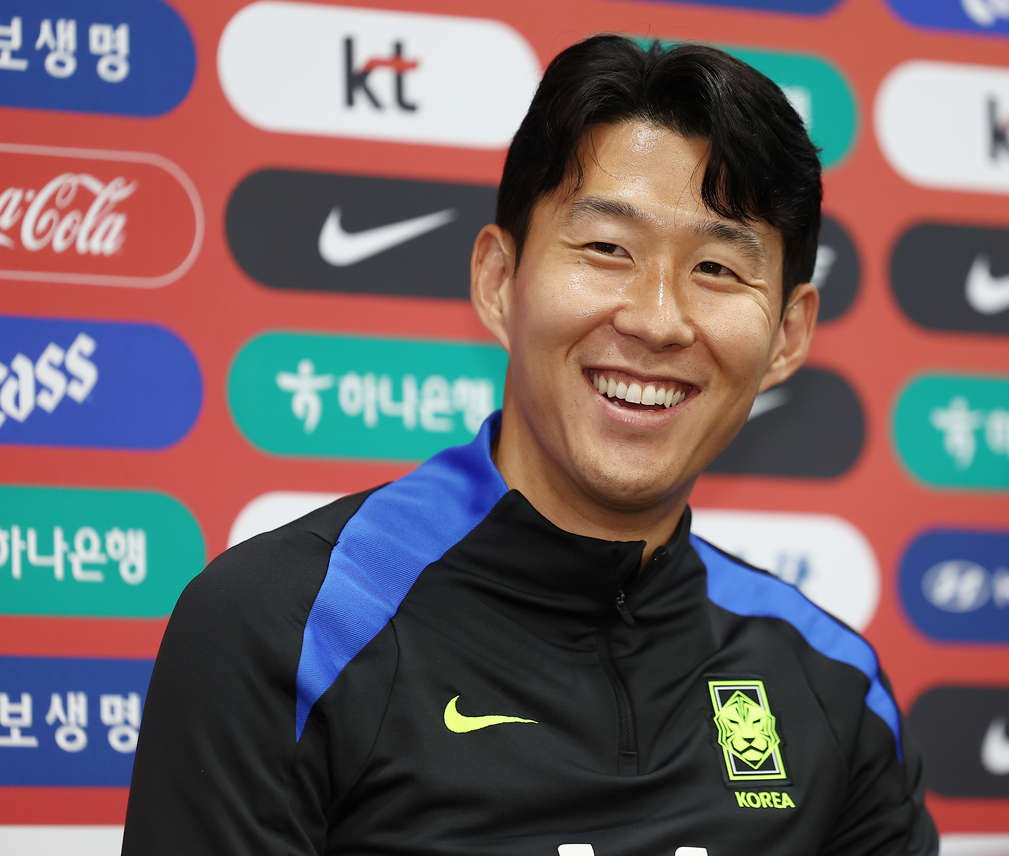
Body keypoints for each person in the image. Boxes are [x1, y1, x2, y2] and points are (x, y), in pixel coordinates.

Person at [122, 35, 937, 856]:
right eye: (607, 249)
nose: (657, 320)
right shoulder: (288, 627)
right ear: (498, 280)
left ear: (789, 335)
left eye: (718, 269)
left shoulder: (834, 686)